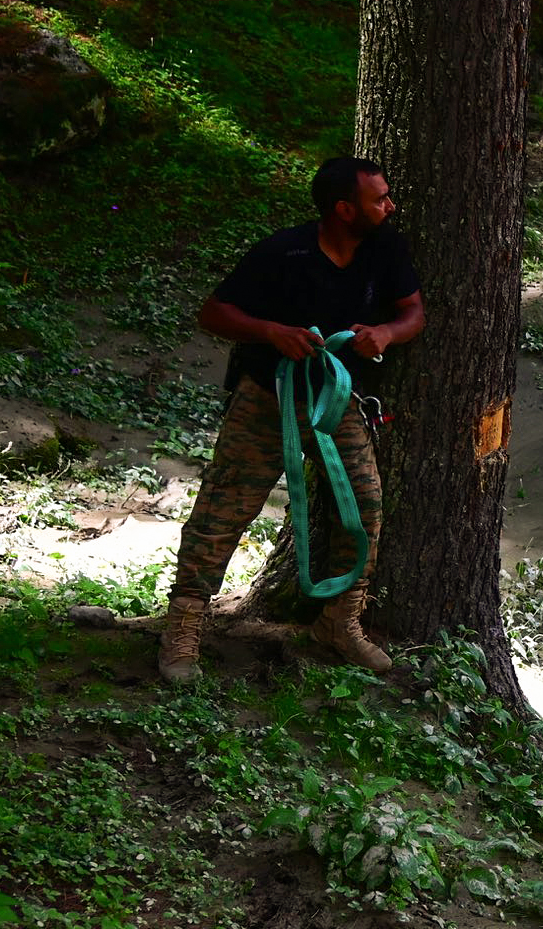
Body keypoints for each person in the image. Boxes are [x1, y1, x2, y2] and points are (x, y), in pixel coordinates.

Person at [158, 157, 426, 684]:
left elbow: (412, 311)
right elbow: (213, 314)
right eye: (379, 199)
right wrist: (270, 332)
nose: (390, 206)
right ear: (344, 209)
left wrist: (387, 335)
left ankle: (339, 622)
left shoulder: (385, 247)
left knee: (364, 505)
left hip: (335, 402)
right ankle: (183, 628)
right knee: (225, 507)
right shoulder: (284, 252)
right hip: (266, 398)